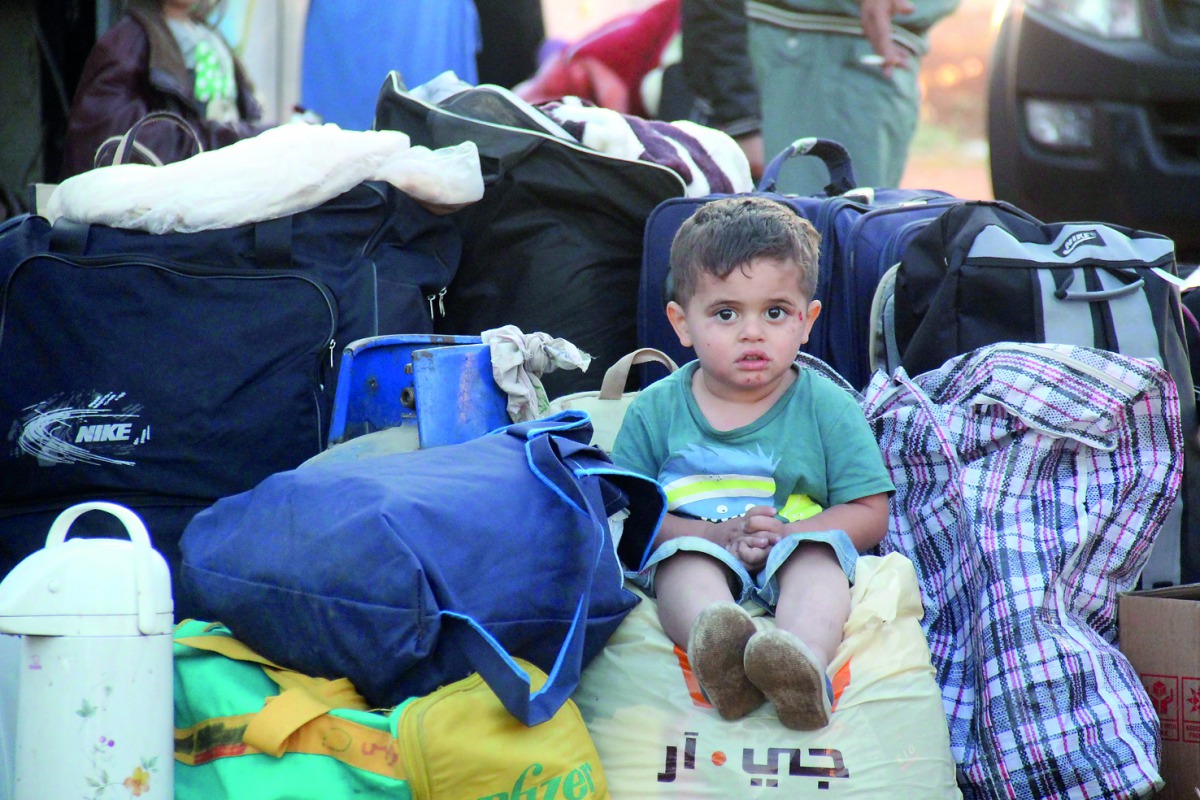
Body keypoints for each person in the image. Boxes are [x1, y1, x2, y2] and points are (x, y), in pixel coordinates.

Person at [611, 196, 893, 730]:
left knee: (818, 563)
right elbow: (630, 517)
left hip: (793, 543)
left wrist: (792, 533)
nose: (752, 332)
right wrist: (716, 536)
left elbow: (869, 511)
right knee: (681, 565)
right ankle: (722, 661)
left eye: (775, 312)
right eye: (726, 314)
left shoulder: (828, 407)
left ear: (807, 321)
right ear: (681, 323)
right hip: (703, 547)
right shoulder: (655, 409)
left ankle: (800, 662)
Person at [680, 0, 959, 191]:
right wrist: (737, 116)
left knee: (852, 235)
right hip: (797, 51)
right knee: (792, 238)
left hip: (884, 56)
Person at [61, 0, 269, 179]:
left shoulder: (212, 38)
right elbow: (113, 142)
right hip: (168, 198)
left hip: (218, 189)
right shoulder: (128, 41)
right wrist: (231, 142)